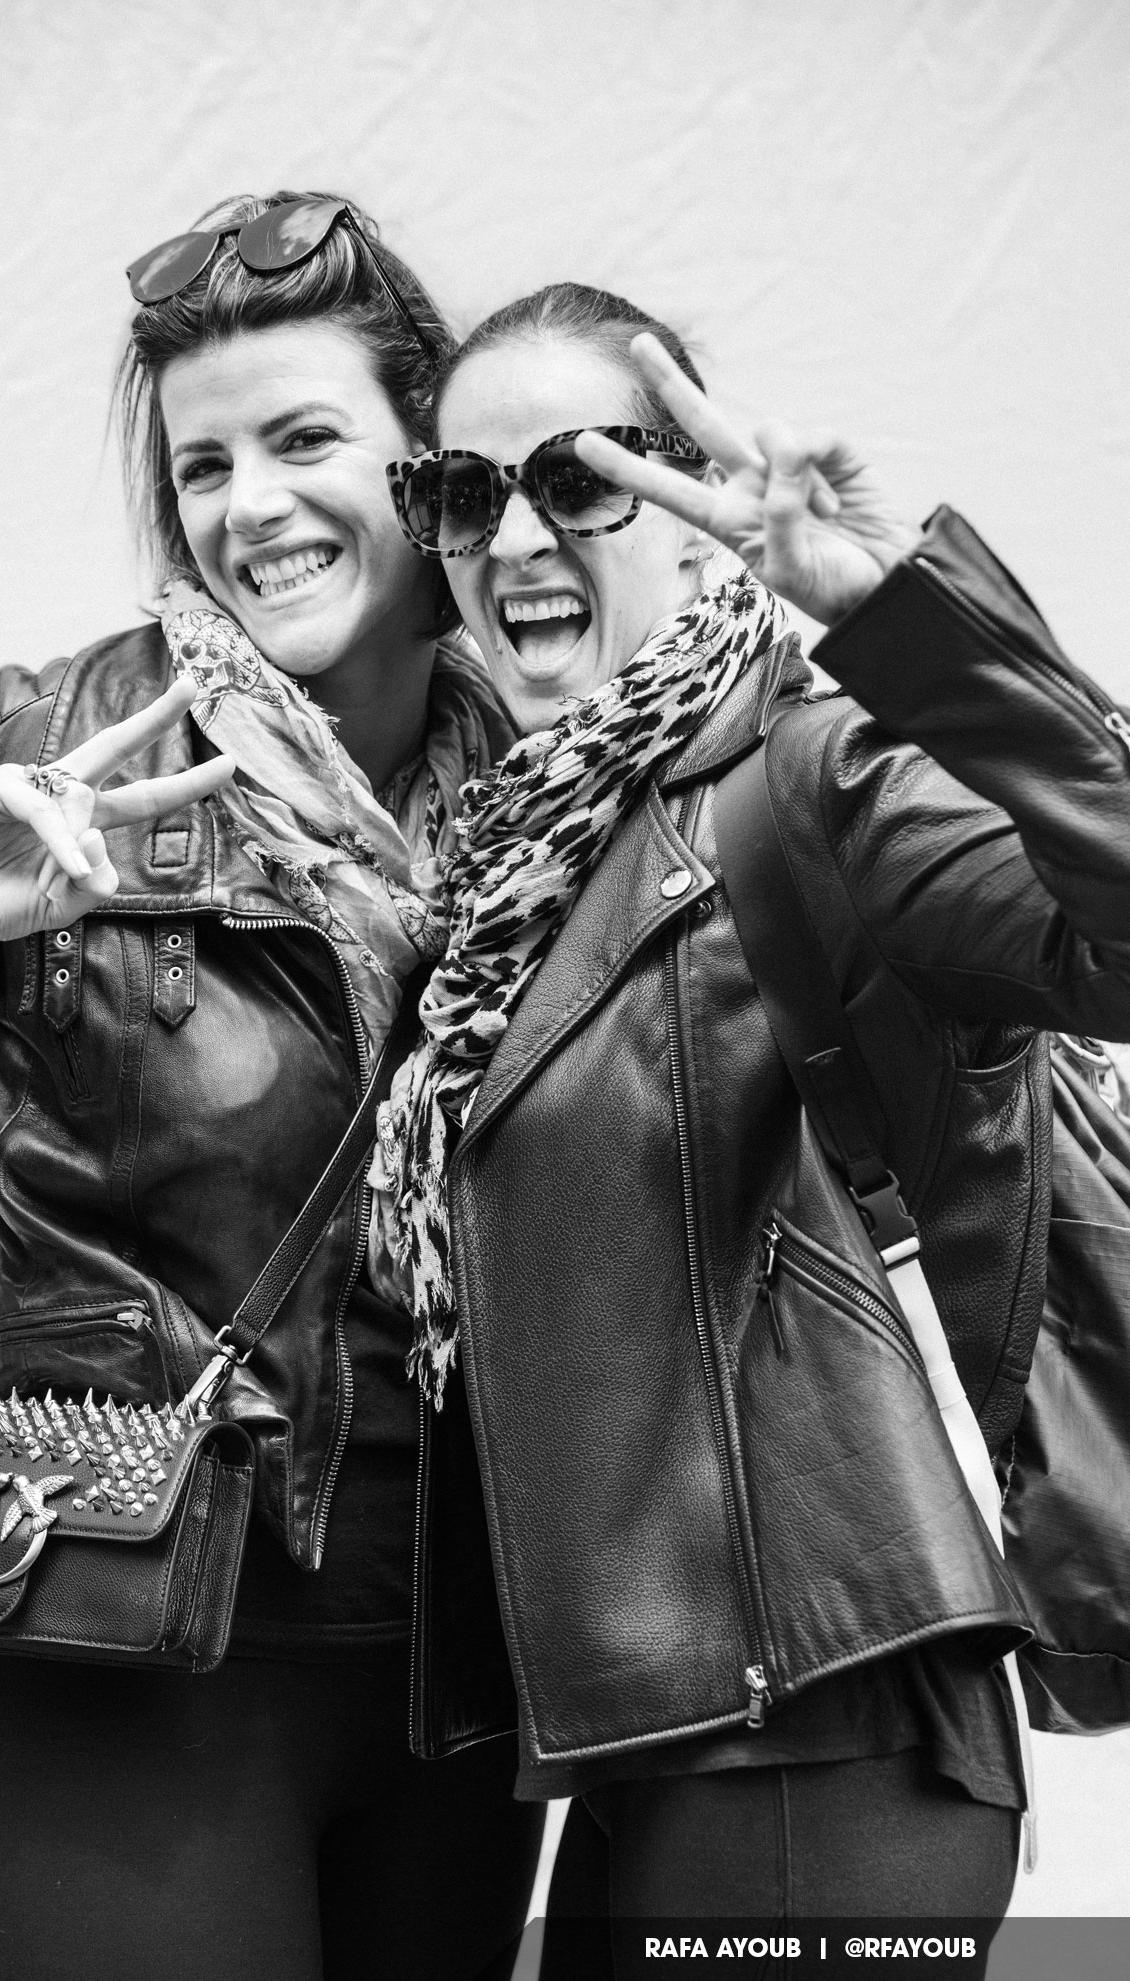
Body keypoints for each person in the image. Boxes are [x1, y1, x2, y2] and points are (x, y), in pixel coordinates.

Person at [0, 193, 540, 1981]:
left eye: (303, 440)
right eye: (203, 464)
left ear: (431, 465)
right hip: (127, 1634)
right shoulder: (40, 742)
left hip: (469, 1662)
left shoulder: (562, 784)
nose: (248, 507)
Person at [371, 282, 1130, 1968]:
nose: (515, 537)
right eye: (465, 493)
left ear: (687, 506)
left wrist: (901, 617)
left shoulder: (813, 770)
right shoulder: (523, 870)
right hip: (665, 1741)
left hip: (830, 1729)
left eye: (578, 478)